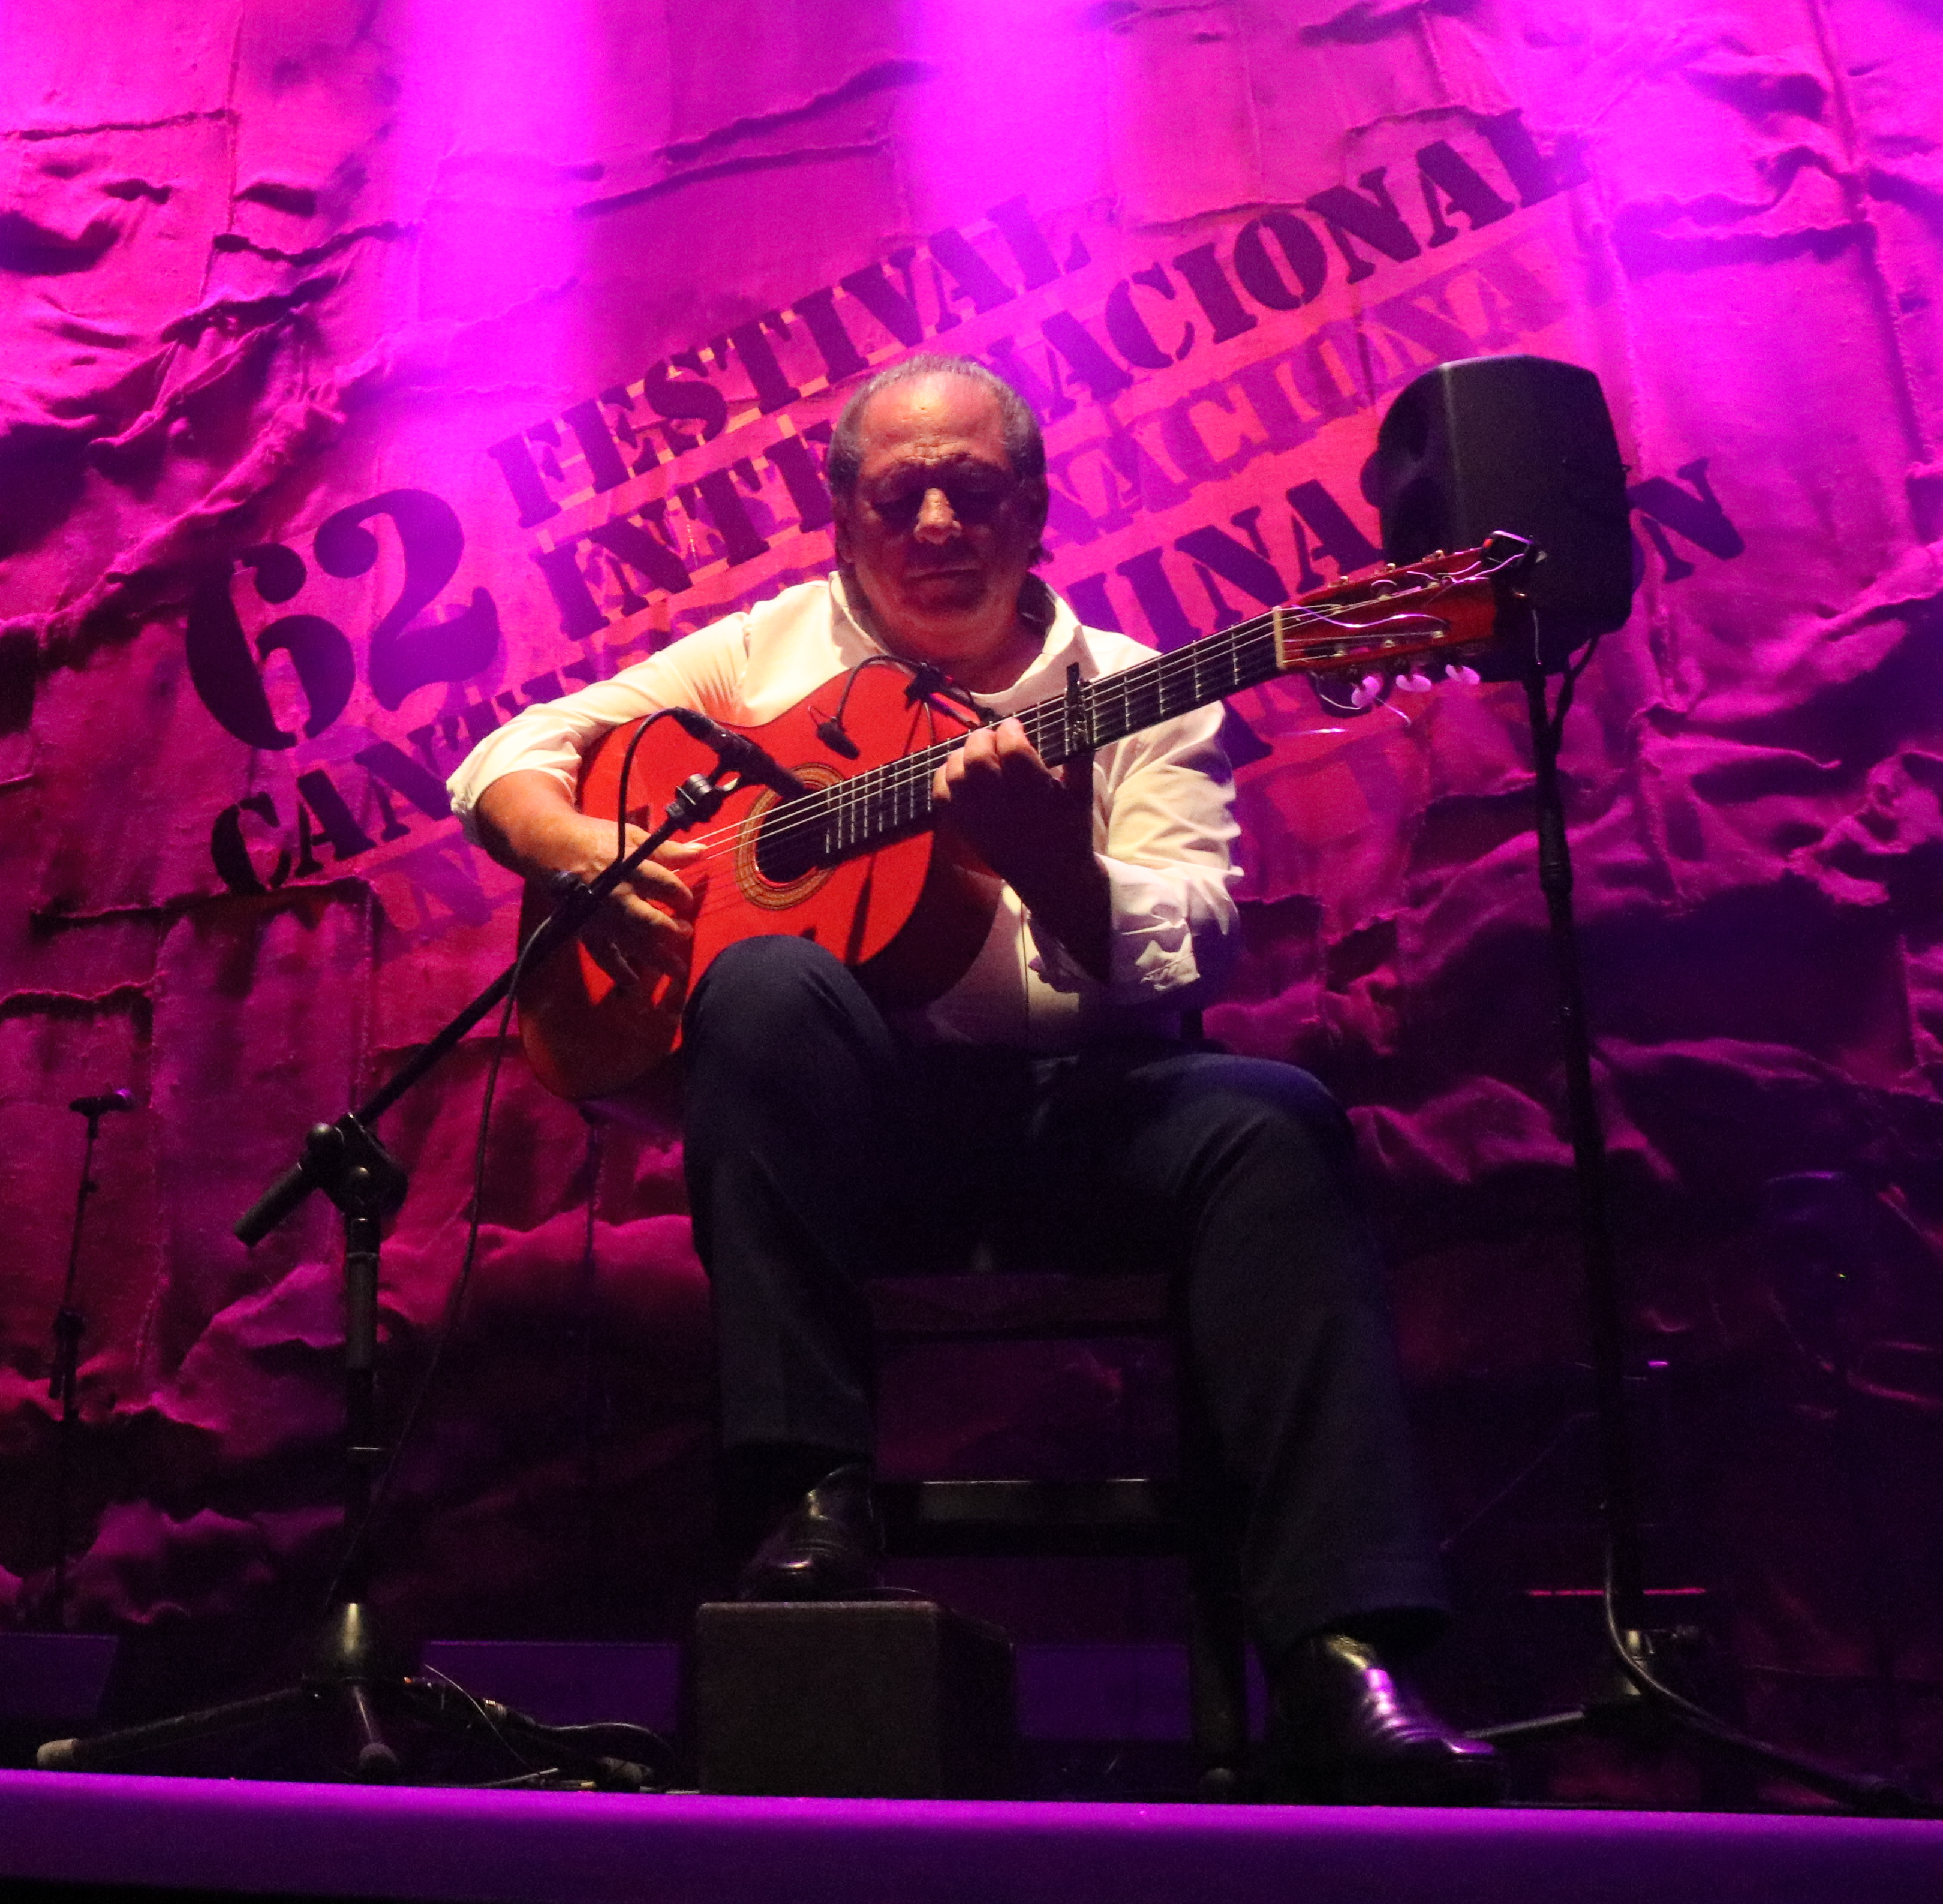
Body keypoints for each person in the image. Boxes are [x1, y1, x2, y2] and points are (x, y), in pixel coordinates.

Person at [446, 353, 1500, 1805]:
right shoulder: (768, 650)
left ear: (1034, 511)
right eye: (901, 492)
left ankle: (1336, 1648)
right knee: (761, 980)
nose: (938, 519)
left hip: (1080, 1118)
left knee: (1275, 1120)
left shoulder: (1132, 689)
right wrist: (574, 847)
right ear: (844, 516)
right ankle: (810, 1504)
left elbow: (1196, 935)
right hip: (849, 1149)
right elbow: (511, 748)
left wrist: (1061, 869)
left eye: (975, 489)